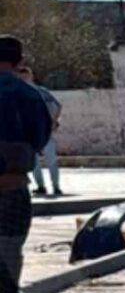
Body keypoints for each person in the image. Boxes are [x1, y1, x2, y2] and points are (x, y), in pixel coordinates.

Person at [0, 36, 52, 293]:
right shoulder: (27, 93)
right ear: (20, 61)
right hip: (11, 182)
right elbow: (40, 135)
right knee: (10, 240)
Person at [18, 67, 62, 196]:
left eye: (26, 75)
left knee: (51, 159)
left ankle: (56, 186)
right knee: (34, 161)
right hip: (28, 132)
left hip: (44, 130)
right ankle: (40, 186)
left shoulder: (41, 91)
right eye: (22, 75)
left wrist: (53, 121)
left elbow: (58, 106)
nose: (24, 77)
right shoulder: (19, 92)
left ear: (31, 76)